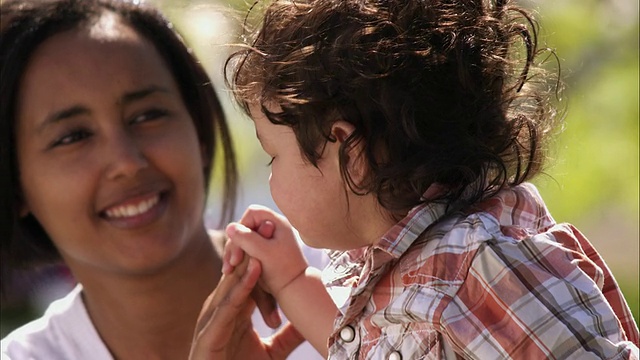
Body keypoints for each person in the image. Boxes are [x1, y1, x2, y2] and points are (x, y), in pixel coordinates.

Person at [220, 0, 640, 358]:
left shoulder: (483, 270)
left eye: (273, 155)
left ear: (349, 151)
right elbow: (366, 346)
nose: (270, 176)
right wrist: (292, 280)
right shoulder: (416, 272)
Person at [0, 0, 323, 358]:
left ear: (199, 128)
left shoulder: (354, 287)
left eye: (148, 114)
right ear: (16, 185)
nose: (126, 161)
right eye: (72, 137)